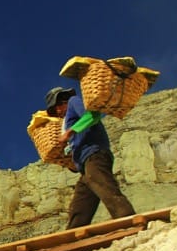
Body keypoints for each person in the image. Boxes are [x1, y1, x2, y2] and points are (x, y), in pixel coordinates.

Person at [45, 86, 136, 229]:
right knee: (80, 205)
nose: (57, 112)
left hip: (95, 155)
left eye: (56, 107)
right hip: (85, 165)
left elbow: (93, 116)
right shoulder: (66, 121)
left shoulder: (73, 102)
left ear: (62, 101)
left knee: (106, 188)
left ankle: (128, 220)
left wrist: (69, 132)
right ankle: (73, 237)